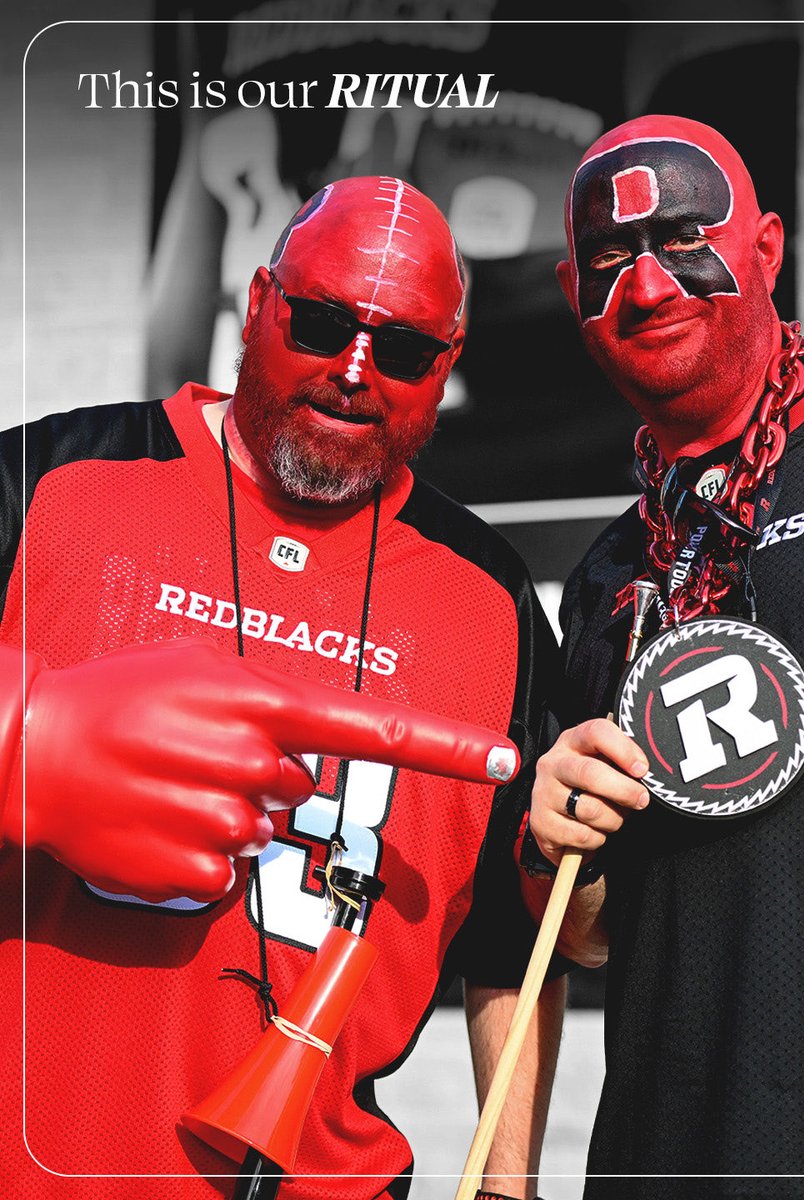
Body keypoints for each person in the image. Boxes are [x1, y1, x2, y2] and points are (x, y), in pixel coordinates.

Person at [0, 176, 565, 1200]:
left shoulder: (493, 599)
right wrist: (22, 737)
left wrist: (506, 1186)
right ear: (259, 303)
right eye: (321, 324)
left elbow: (517, 946)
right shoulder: (50, 481)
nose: (354, 371)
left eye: (402, 351)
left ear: (447, 367)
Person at [524, 114, 804, 1197]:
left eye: (686, 239)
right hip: (666, 1157)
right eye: (609, 259)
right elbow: (594, 939)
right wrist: (555, 845)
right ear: (572, 293)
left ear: (767, 249)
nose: (648, 287)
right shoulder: (605, 576)